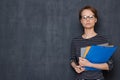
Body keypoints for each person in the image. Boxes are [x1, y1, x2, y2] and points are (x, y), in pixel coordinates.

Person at [70, 5, 113, 80]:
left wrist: (89, 64)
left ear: (95, 19)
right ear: (81, 21)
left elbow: (109, 66)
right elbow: (72, 60)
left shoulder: (102, 40)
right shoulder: (75, 41)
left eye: (91, 17)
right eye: (84, 17)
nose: (87, 20)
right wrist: (75, 67)